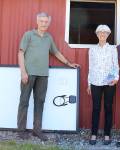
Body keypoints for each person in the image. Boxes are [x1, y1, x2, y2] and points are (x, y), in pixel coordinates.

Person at [17, 12, 79, 141]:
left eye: (46, 22)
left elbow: (56, 52)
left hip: (43, 75)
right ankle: (21, 131)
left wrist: (69, 63)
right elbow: (20, 53)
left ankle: (37, 130)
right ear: (37, 21)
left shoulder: (48, 38)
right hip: (28, 74)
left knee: (39, 102)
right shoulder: (28, 35)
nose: (44, 24)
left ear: (48, 23)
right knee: (24, 102)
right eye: (42, 21)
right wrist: (23, 72)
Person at [87, 25, 119, 145]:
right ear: (97, 34)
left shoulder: (112, 49)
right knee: (96, 108)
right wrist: (89, 83)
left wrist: (116, 78)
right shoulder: (92, 49)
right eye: (100, 32)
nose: (102, 34)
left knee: (108, 107)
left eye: (105, 33)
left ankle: (107, 134)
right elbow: (91, 67)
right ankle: (94, 133)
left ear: (108, 35)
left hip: (109, 82)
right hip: (95, 81)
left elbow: (115, 65)